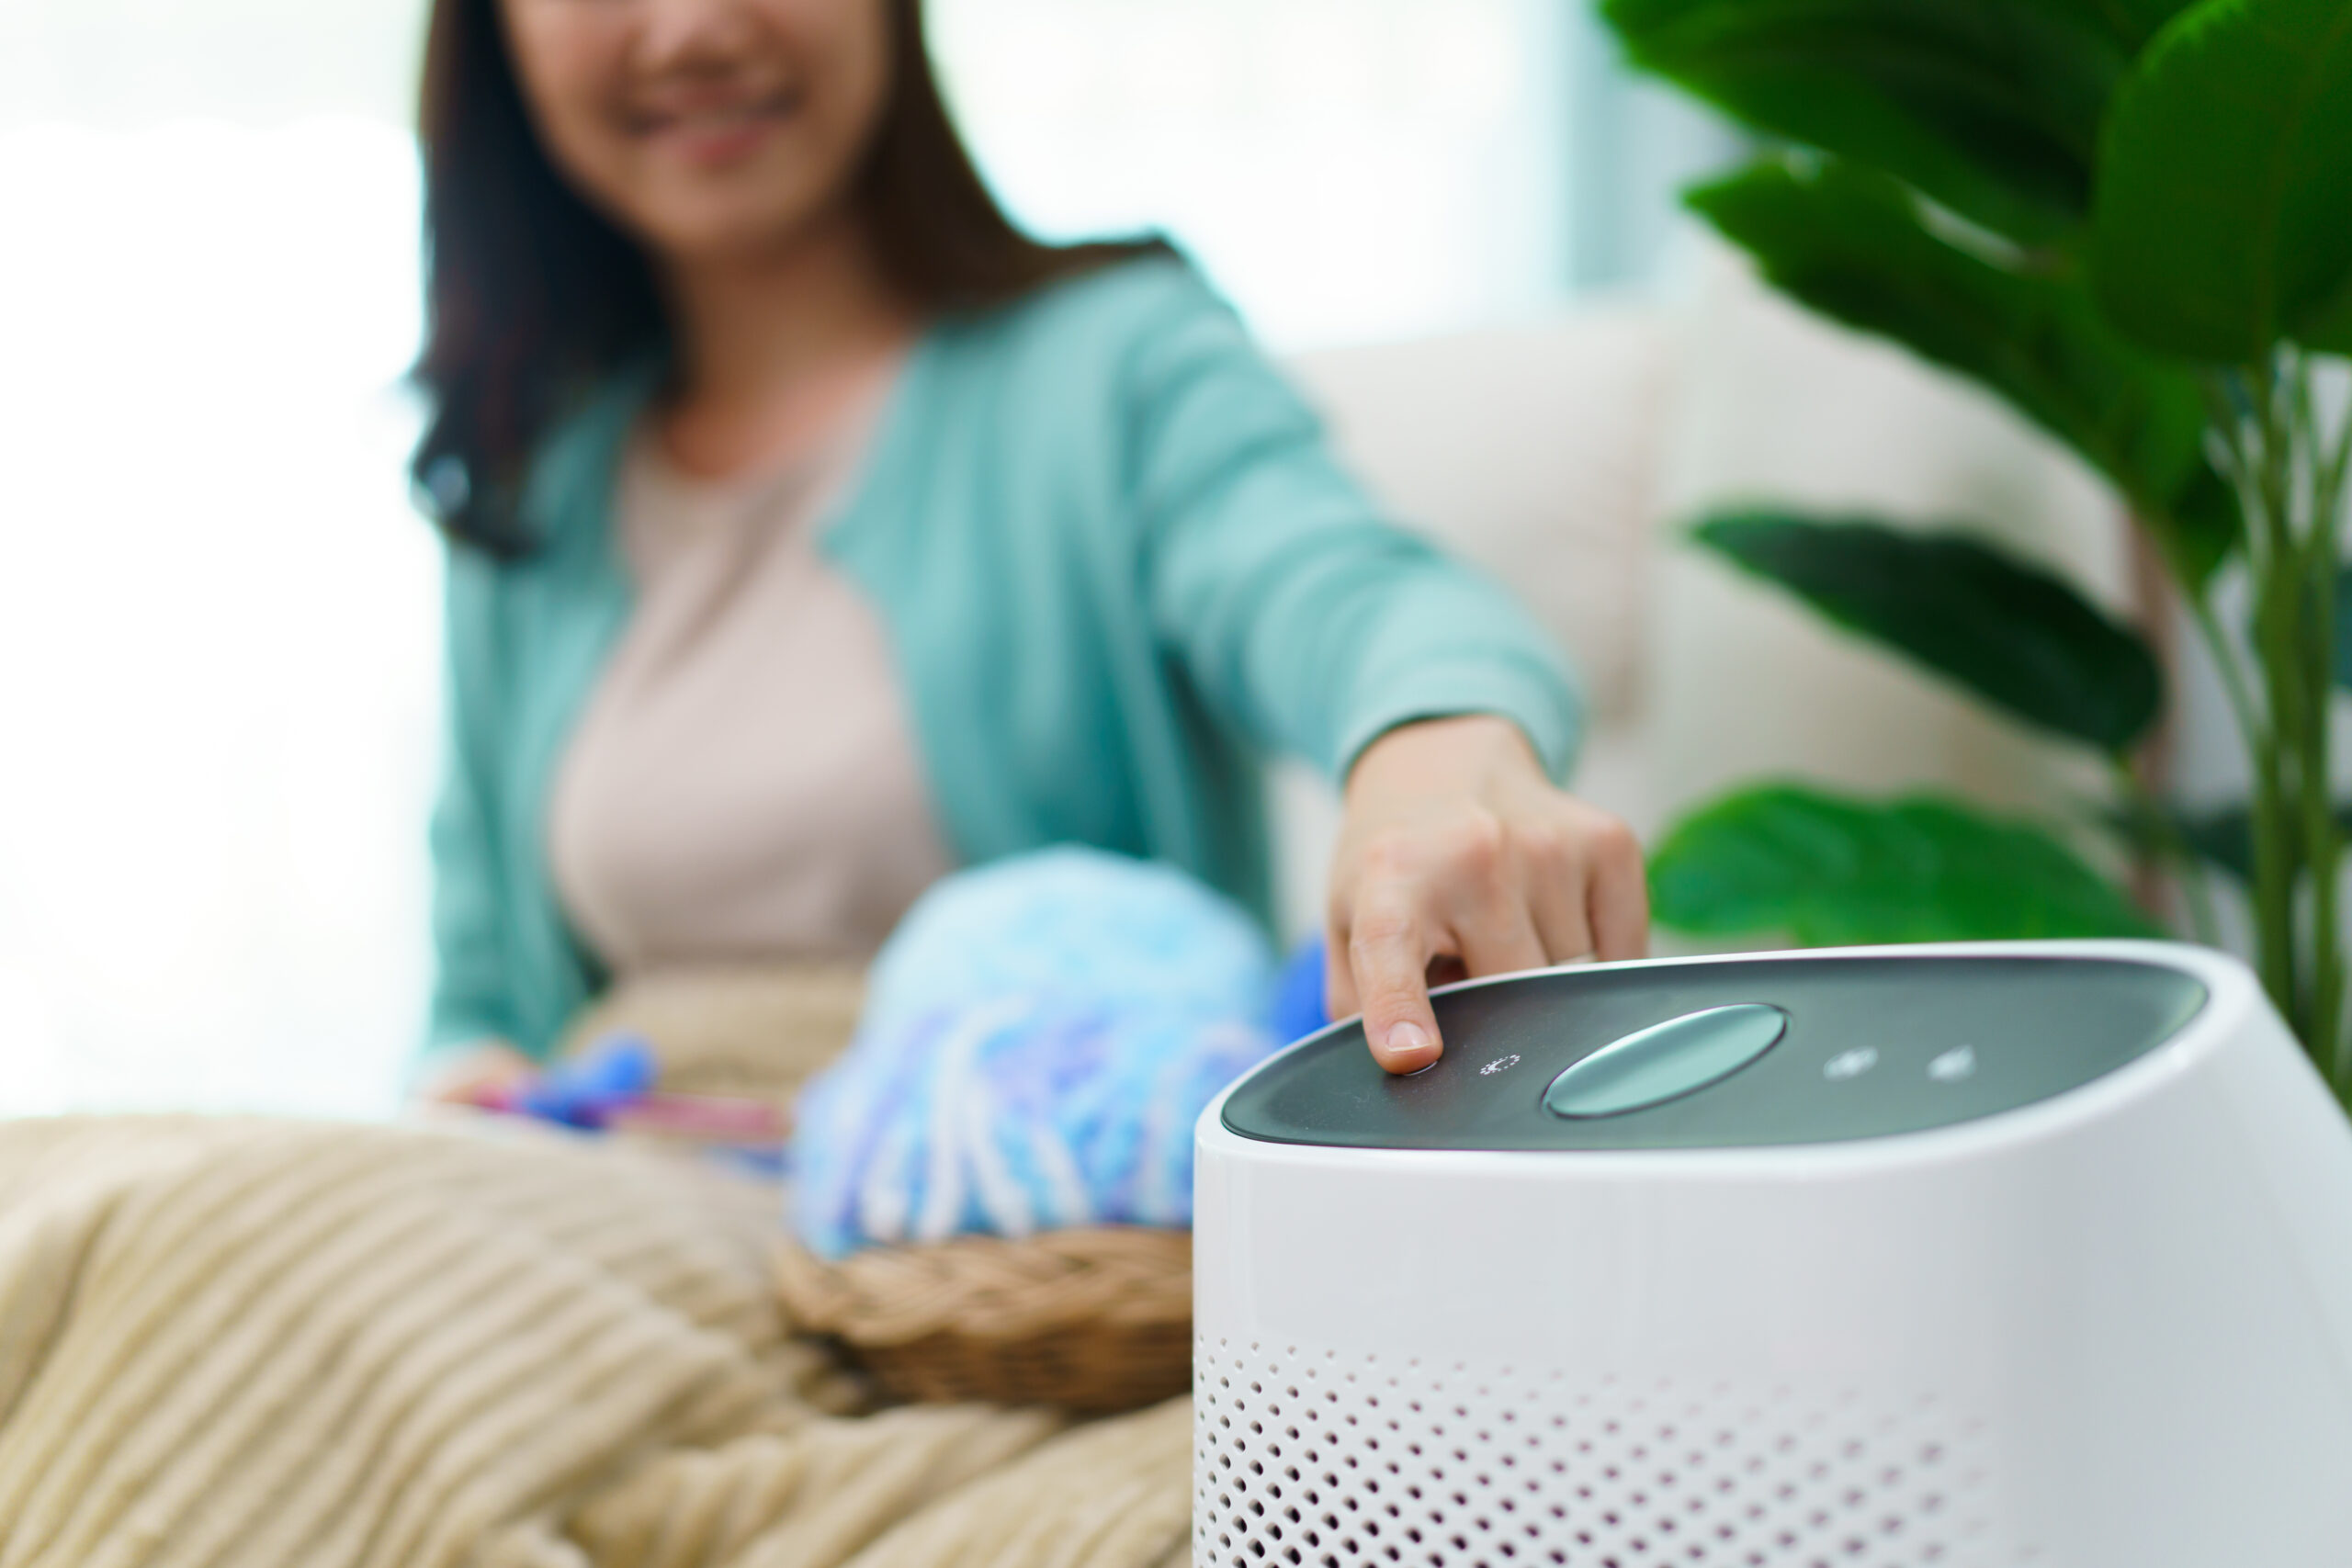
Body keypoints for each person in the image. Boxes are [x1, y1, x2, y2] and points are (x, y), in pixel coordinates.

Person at [411, 0, 1647, 1099]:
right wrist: (469, 1083)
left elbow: (1354, 594)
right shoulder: (537, 483)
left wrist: (1435, 754)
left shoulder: (1116, 367)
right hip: (616, 1201)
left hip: (1011, 1249)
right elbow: (479, 1004)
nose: (687, 28)